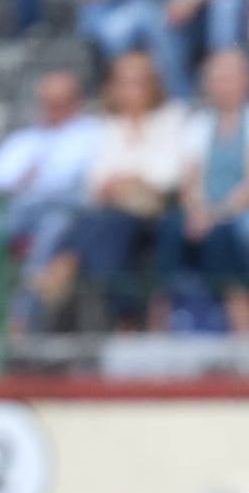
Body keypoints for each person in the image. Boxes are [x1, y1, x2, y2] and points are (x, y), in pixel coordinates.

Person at [33, 50, 188, 326]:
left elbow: (167, 175)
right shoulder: (108, 126)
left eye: (137, 82)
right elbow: (97, 180)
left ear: (153, 84)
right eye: (124, 82)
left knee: (103, 224)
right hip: (119, 213)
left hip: (158, 213)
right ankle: (120, 312)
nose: (130, 90)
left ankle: (65, 268)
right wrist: (130, 180)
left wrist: (126, 180)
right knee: (107, 223)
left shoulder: (171, 119)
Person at [0, 69, 100, 335]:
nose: (52, 108)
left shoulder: (92, 134)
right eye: (47, 101)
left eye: (60, 101)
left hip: (67, 210)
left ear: (77, 101)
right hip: (20, 209)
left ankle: (22, 319)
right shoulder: (26, 139)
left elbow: (75, 181)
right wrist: (26, 180)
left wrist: (31, 180)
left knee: (51, 232)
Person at [156, 46, 249, 332]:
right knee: (171, 229)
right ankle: (161, 318)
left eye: (230, 77)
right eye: (217, 78)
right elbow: (191, 180)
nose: (223, 85)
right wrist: (198, 211)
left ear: (247, 80)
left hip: (246, 209)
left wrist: (216, 214)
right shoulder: (198, 125)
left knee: (226, 235)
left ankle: (242, 321)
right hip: (207, 212)